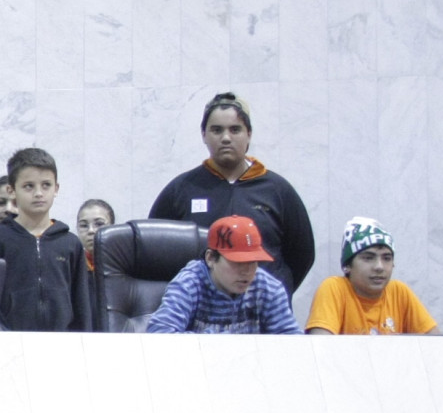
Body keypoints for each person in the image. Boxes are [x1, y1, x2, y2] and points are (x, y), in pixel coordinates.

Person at [148, 91, 316, 293]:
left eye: (235, 130)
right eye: (217, 130)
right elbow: (155, 251)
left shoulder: (277, 190)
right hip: (200, 314)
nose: (226, 138)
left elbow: (302, 255)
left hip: (263, 314)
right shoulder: (181, 189)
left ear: (249, 135)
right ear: (204, 135)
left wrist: (276, 293)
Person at [0, 148, 90, 332]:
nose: (39, 193)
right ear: (12, 190)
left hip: (63, 345)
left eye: (46, 185)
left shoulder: (70, 243)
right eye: (29, 186)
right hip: (9, 344)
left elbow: (82, 304)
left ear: (56, 189)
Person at [146, 214, 301, 335]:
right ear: (211, 258)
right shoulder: (189, 284)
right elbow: (159, 335)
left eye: (253, 262)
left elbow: (293, 343)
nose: (246, 271)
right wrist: (217, 342)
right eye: (237, 262)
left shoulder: (268, 288)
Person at [306, 218, 439, 336]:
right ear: (347, 266)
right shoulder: (334, 288)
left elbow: (436, 347)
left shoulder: (399, 292)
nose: (379, 267)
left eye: (387, 258)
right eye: (368, 258)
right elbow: (321, 349)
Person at [75, 197, 116, 328]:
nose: (91, 230)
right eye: (83, 225)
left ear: (113, 228)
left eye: (99, 224)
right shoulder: (73, 266)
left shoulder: (123, 267)